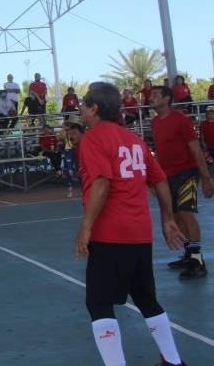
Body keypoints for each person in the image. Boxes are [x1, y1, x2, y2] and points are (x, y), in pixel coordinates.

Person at [74, 82, 188, 366]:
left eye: (84, 105)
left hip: (110, 234)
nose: (81, 110)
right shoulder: (133, 140)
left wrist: (86, 226)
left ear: (94, 109)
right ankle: (173, 361)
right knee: (146, 299)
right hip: (140, 234)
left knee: (99, 304)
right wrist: (167, 218)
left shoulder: (93, 138)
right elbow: (159, 180)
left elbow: (101, 182)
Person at [149, 85, 214, 279]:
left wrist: (206, 178)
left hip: (186, 173)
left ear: (167, 99)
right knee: (175, 218)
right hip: (167, 176)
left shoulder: (181, 120)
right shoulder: (154, 123)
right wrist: (155, 178)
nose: (150, 98)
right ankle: (188, 255)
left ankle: (197, 262)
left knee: (186, 215)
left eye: (155, 95)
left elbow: (196, 150)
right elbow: (160, 152)